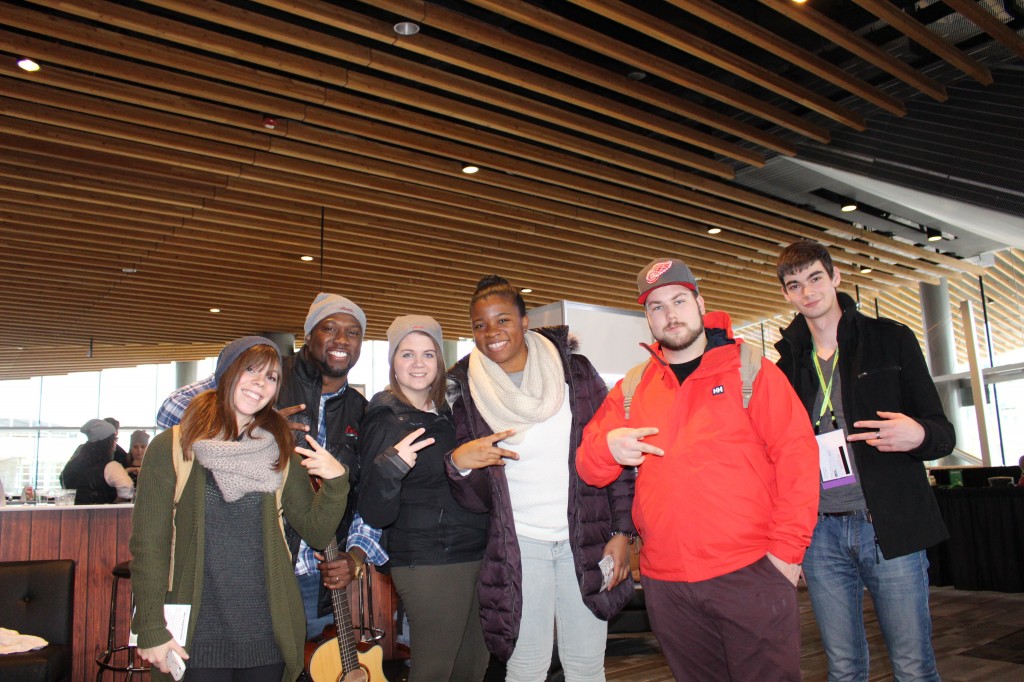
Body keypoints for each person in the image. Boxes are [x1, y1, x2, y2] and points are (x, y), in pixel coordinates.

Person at [577, 257, 819, 682]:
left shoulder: (750, 370)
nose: (670, 314)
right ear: (647, 319)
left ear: (699, 303)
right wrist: (608, 447)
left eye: (679, 300)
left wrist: (785, 554)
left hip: (750, 573)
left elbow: (797, 460)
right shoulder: (633, 387)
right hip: (667, 583)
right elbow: (590, 468)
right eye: (656, 307)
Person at [774, 240, 955, 681]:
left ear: (834, 277)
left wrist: (919, 434)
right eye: (795, 285)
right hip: (819, 534)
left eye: (815, 278)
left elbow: (942, 433)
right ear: (786, 295)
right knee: (843, 667)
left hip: (887, 526)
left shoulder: (890, 340)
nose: (808, 292)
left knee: (913, 666)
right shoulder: (784, 366)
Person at [446, 275, 636, 682]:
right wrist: (461, 464)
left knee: (586, 666)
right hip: (520, 544)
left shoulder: (575, 371)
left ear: (525, 321)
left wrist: (623, 532)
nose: (492, 333)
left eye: (503, 320)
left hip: (583, 537)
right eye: (480, 325)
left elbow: (612, 455)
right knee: (526, 668)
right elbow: (478, 500)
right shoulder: (465, 391)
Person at [129, 336, 349, 682]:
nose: (261, 383)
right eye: (251, 370)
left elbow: (317, 531)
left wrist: (336, 483)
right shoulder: (173, 446)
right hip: (194, 638)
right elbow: (149, 546)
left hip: (267, 634)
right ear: (227, 374)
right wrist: (151, 627)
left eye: (272, 377)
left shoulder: (280, 451)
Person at [357, 315, 491, 681]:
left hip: (474, 553)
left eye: (428, 354)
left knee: (471, 667)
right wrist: (391, 467)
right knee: (435, 668)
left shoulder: (451, 415)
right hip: (428, 560)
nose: (418, 364)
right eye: (407, 354)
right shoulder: (385, 418)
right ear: (393, 362)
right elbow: (373, 510)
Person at [276, 293, 383, 640]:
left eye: (353, 332)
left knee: (309, 666)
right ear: (308, 335)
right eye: (330, 328)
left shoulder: (364, 413)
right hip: (253, 562)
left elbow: (370, 497)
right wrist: (247, 422)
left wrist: (354, 556)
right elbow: (172, 411)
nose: (341, 340)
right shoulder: (268, 377)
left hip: (315, 574)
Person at [61, 418, 135, 504]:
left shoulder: (72, 464)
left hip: (73, 515)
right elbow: (127, 491)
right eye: (115, 438)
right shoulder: (111, 466)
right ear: (109, 442)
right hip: (104, 516)